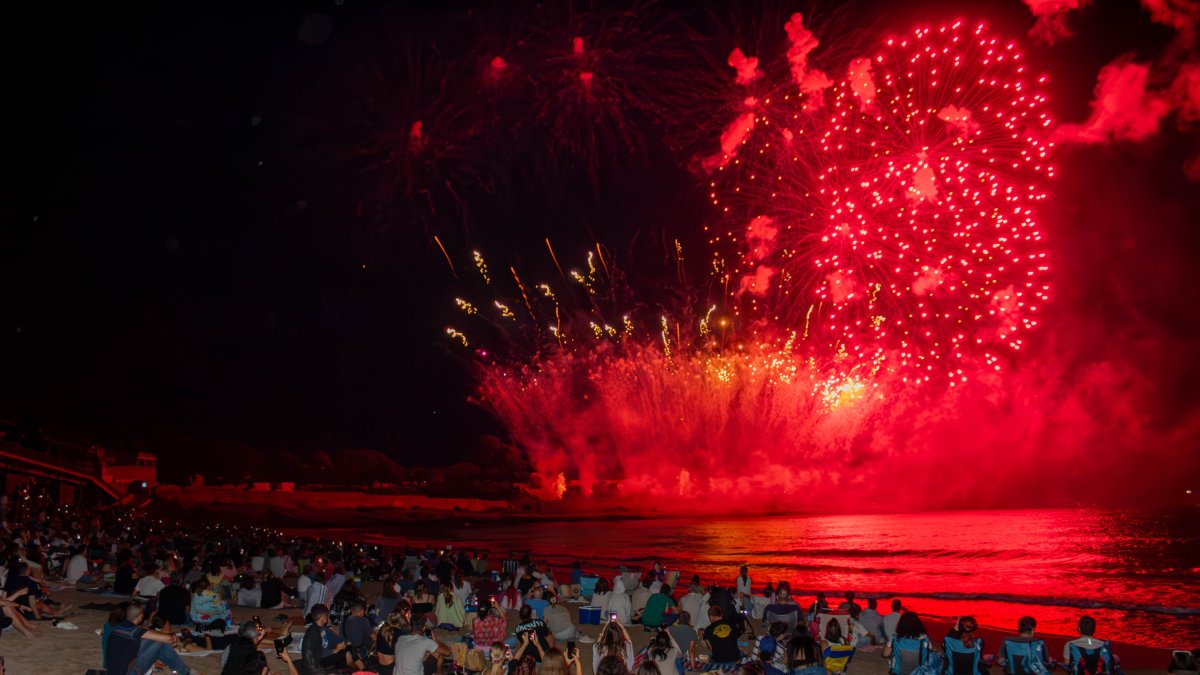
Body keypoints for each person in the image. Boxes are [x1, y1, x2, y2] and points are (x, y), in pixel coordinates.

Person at [105, 603, 193, 675]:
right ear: (141, 616)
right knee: (160, 643)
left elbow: (146, 632)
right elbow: (168, 639)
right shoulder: (134, 631)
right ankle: (185, 672)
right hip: (129, 672)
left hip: (115, 670)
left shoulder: (119, 627)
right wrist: (172, 637)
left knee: (152, 640)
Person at [300, 603, 363, 673]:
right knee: (347, 654)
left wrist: (346, 642)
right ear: (323, 616)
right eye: (327, 614)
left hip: (329, 652)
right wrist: (335, 650)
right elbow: (316, 655)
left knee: (350, 647)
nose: (328, 616)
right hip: (321, 660)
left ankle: (359, 668)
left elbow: (335, 638)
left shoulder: (323, 628)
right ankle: (359, 670)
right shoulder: (314, 633)